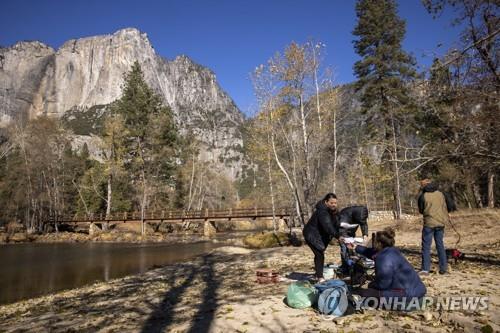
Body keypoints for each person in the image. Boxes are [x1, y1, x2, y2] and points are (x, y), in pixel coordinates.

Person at [350, 228, 426, 304]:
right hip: (418, 290)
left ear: (378, 243)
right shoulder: (392, 250)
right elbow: (371, 253)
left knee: (363, 293)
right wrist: (356, 247)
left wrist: (370, 284)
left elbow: (383, 285)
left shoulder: (383, 259)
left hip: (407, 297)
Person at [417, 177, 457, 275]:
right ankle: (443, 268)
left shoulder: (423, 196)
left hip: (429, 223)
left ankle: (425, 269)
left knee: (426, 246)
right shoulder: (441, 194)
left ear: (423, 185)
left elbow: (421, 210)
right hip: (440, 222)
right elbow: (450, 206)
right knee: (440, 245)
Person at [303, 193, 340, 282]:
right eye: (332, 203)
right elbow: (327, 226)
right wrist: (338, 236)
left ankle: (318, 274)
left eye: (335, 203)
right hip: (311, 234)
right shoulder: (322, 212)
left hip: (318, 235)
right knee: (319, 254)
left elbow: (334, 223)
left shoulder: (331, 211)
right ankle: (320, 277)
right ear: (326, 202)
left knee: (318, 254)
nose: (334, 205)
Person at [338, 205, 369, 273]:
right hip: (343, 234)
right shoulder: (344, 216)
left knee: (354, 249)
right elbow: (341, 231)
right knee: (345, 249)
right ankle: (345, 267)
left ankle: (356, 267)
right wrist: (346, 240)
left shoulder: (361, 214)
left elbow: (363, 223)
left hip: (351, 232)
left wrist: (365, 235)